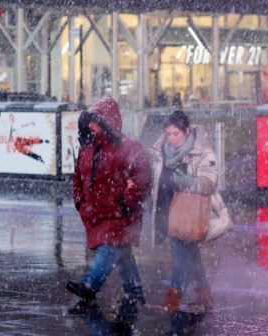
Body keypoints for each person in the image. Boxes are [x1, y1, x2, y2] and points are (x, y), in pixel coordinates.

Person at [67, 97, 152, 321]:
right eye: (90, 123)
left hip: (119, 213)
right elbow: (77, 177)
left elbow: (141, 177)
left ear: (107, 123)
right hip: (97, 213)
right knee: (121, 251)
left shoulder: (129, 148)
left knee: (109, 246)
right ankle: (134, 292)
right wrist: (80, 200)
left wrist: (127, 202)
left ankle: (90, 286)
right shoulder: (87, 147)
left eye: (96, 122)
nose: (91, 127)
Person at [149, 110, 219, 313]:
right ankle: (204, 294)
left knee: (180, 253)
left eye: (176, 134)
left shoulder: (201, 152)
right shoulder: (162, 151)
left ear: (187, 132)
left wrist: (190, 182)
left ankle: (174, 298)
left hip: (189, 212)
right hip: (167, 208)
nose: (171, 139)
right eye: (168, 134)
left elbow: (210, 182)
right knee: (192, 254)